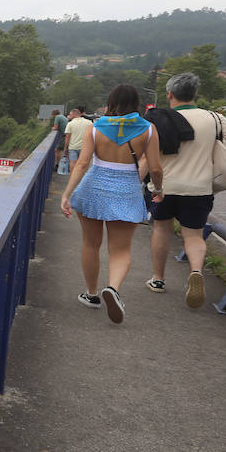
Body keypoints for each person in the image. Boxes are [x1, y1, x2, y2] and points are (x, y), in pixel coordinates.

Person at [60, 83, 162, 324]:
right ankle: (113, 289)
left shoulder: (96, 127)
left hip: (93, 187)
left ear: (111, 102)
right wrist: (158, 189)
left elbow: (83, 164)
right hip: (126, 190)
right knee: (121, 250)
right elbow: (156, 167)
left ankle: (92, 294)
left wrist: (67, 194)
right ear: (135, 103)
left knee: (90, 244)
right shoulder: (148, 129)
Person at [146, 72, 226, 308]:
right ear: (195, 94)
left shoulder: (158, 118)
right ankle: (196, 272)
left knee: (161, 229)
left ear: (170, 94)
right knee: (193, 235)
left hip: (165, 186)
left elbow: (147, 156)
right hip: (199, 188)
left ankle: (158, 279)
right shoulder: (215, 118)